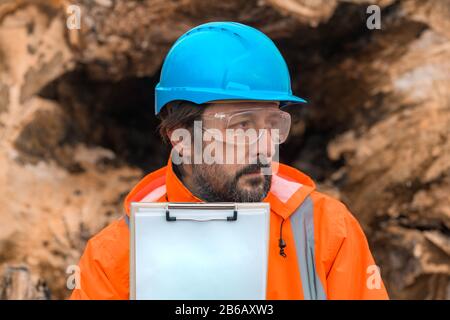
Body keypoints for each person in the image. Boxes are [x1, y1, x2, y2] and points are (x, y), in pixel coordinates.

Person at [70, 22, 389, 300]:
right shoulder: (114, 259)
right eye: (241, 125)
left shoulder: (326, 232)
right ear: (180, 139)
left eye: (272, 124)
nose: (265, 147)